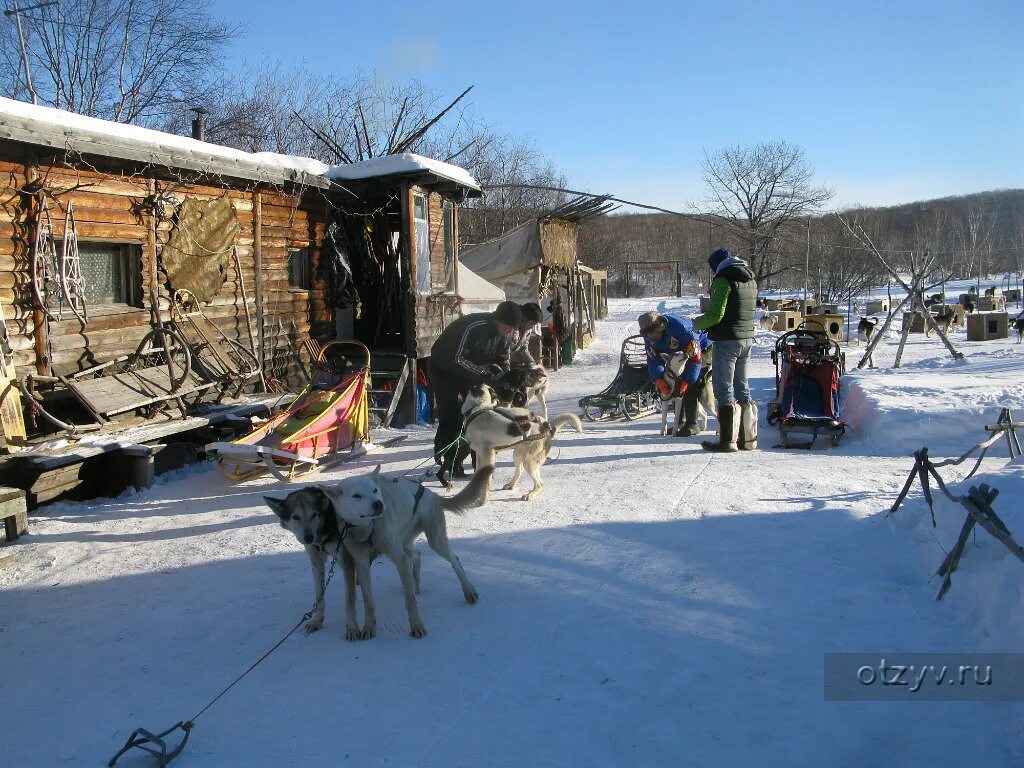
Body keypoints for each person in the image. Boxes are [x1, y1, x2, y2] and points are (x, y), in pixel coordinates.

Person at [429, 301, 523, 478]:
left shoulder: (503, 336)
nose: (510, 331)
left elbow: (503, 360)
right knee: (454, 415)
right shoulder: (474, 327)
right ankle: (452, 462)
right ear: (498, 320)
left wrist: (507, 382)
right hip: (445, 371)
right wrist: (485, 375)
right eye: (508, 326)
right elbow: (456, 359)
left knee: (481, 415)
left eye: (513, 328)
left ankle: (479, 463)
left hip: (472, 374)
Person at [692, 248, 759, 452]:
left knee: (723, 388)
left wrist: (696, 324)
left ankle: (727, 440)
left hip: (727, 341)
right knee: (742, 387)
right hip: (746, 339)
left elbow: (715, 315)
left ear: (716, 266)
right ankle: (748, 439)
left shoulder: (724, 280)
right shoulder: (750, 279)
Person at [637, 311, 711, 436]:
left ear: (660, 327)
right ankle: (680, 423)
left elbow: (695, 360)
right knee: (673, 381)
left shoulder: (681, 329)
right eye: (647, 335)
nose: (650, 337)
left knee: (691, 383)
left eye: (653, 333)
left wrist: (686, 382)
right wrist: (659, 379)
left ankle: (692, 423)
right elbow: (653, 359)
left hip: (702, 349)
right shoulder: (649, 336)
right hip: (680, 354)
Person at [511, 302, 543, 370]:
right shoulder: (511, 328)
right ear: (523, 318)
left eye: (534, 325)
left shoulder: (527, 331)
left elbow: (524, 349)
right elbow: (505, 350)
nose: (531, 327)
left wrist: (532, 364)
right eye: (531, 323)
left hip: (514, 364)